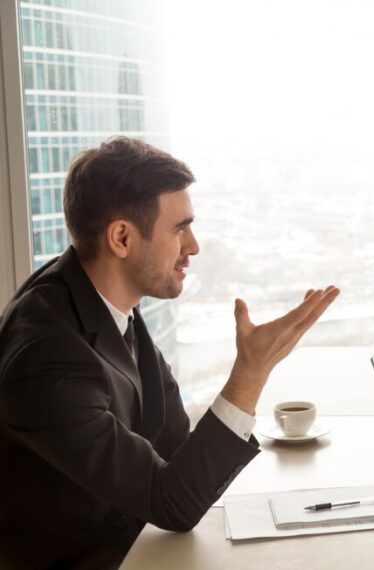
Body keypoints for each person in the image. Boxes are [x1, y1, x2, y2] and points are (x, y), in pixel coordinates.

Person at [0, 137, 340, 568]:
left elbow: (175, 449)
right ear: (121, 237)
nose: (193, 246)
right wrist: (251, 373)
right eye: (179, 228)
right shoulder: (47, 358)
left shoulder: (105, 300)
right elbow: (173, 505)